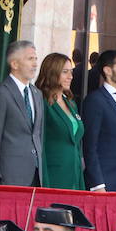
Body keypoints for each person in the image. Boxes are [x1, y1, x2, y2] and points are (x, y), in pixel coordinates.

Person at [0, 40, 44, 187]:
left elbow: (37, 135)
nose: (35, 64)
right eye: (30, 59)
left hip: (34, 175)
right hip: (9, 176)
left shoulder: (36, 94)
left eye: (35, 59)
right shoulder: (1, 93)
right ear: (14, 64)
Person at [80, 48, 116, 193]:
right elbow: (90, 146)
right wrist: (97, 184)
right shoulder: (95, 100)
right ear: (108, 70)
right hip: (104, 184)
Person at [36, 52, 85, 191]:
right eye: (65, 72)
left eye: (71, 72)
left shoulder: (70, 102)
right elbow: (41, 143)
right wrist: (44, 182)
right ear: (52, 72)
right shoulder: (41, 101)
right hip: (53, 175)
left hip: (74, 174)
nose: (70, 77)